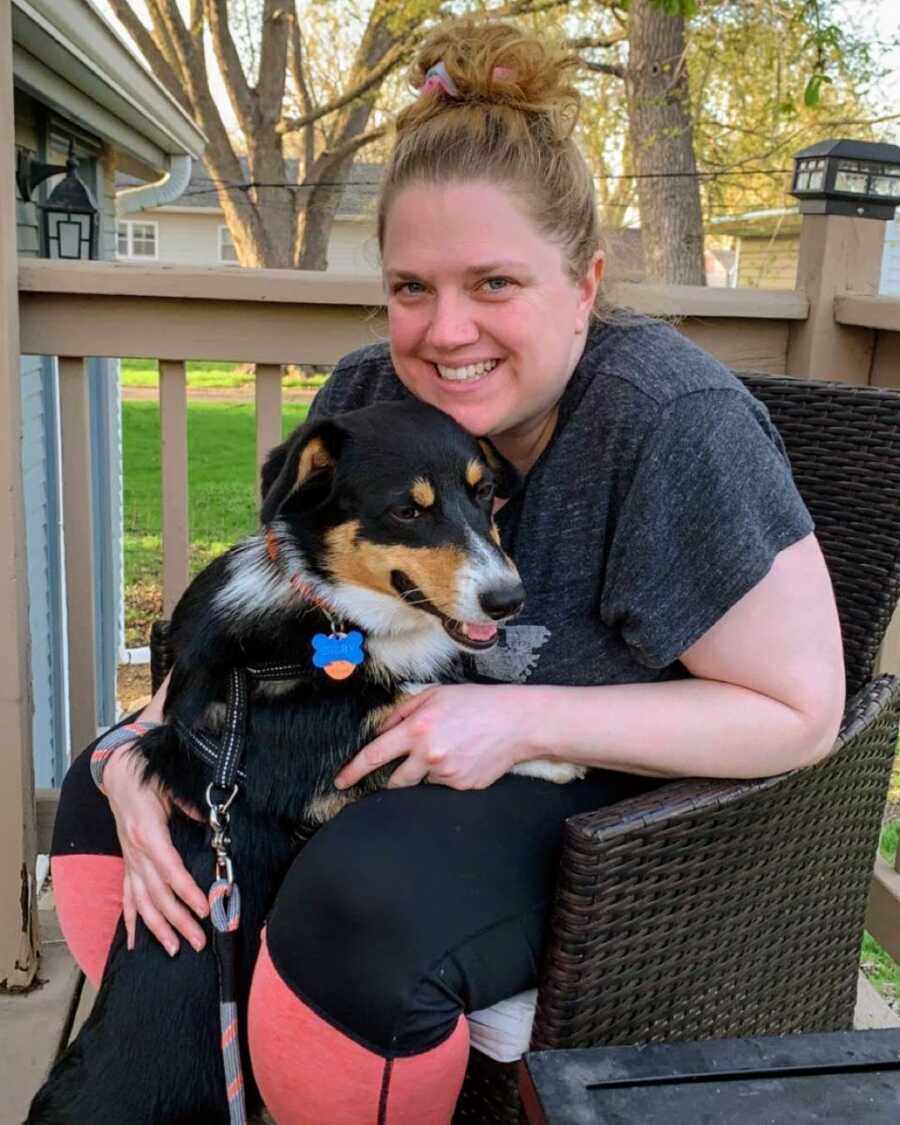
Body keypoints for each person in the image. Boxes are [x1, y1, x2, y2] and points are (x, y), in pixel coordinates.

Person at [50, 17, 845, 1124]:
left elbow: (801, 714)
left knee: (358, 913)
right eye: (411, 287)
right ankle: (204, 1067)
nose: (444, 329)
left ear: (585, 282)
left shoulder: (671, 424)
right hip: (398, 738)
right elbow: (290, 610)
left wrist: (522, 723)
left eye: (494, 283)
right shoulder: (375, 398)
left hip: (619, 793)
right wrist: (147, 744)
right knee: (97, 804)